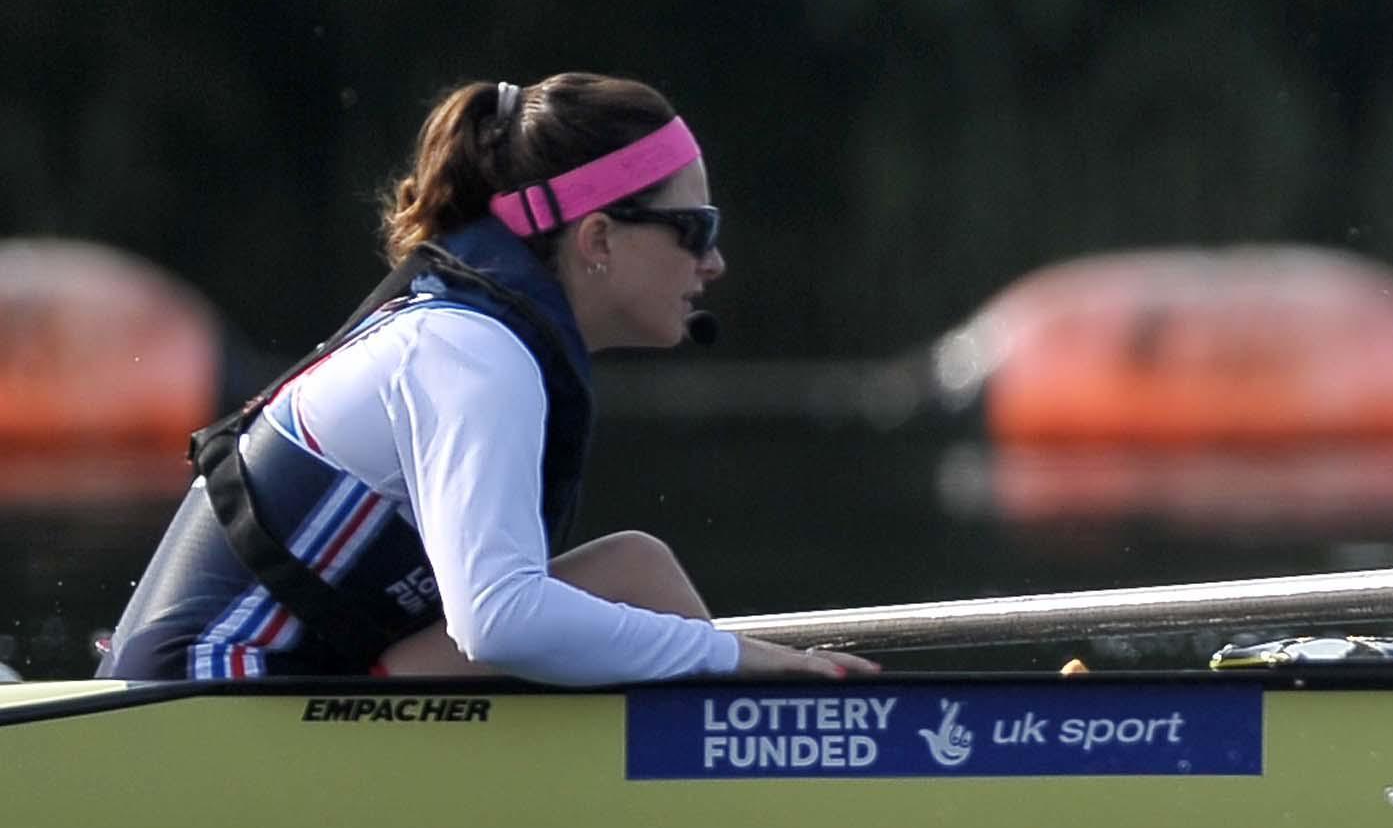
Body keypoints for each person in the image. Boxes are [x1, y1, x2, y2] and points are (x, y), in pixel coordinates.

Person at [108, 76, 874, 683]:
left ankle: (719, 768)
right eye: (694, 228)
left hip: (288, 683)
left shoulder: (475, 334)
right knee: (635, 603)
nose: (715, 262)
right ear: (599, 236)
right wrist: (734, 656)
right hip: (207, 701)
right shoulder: (476, 353)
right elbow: (497, 619)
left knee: (635, 569)